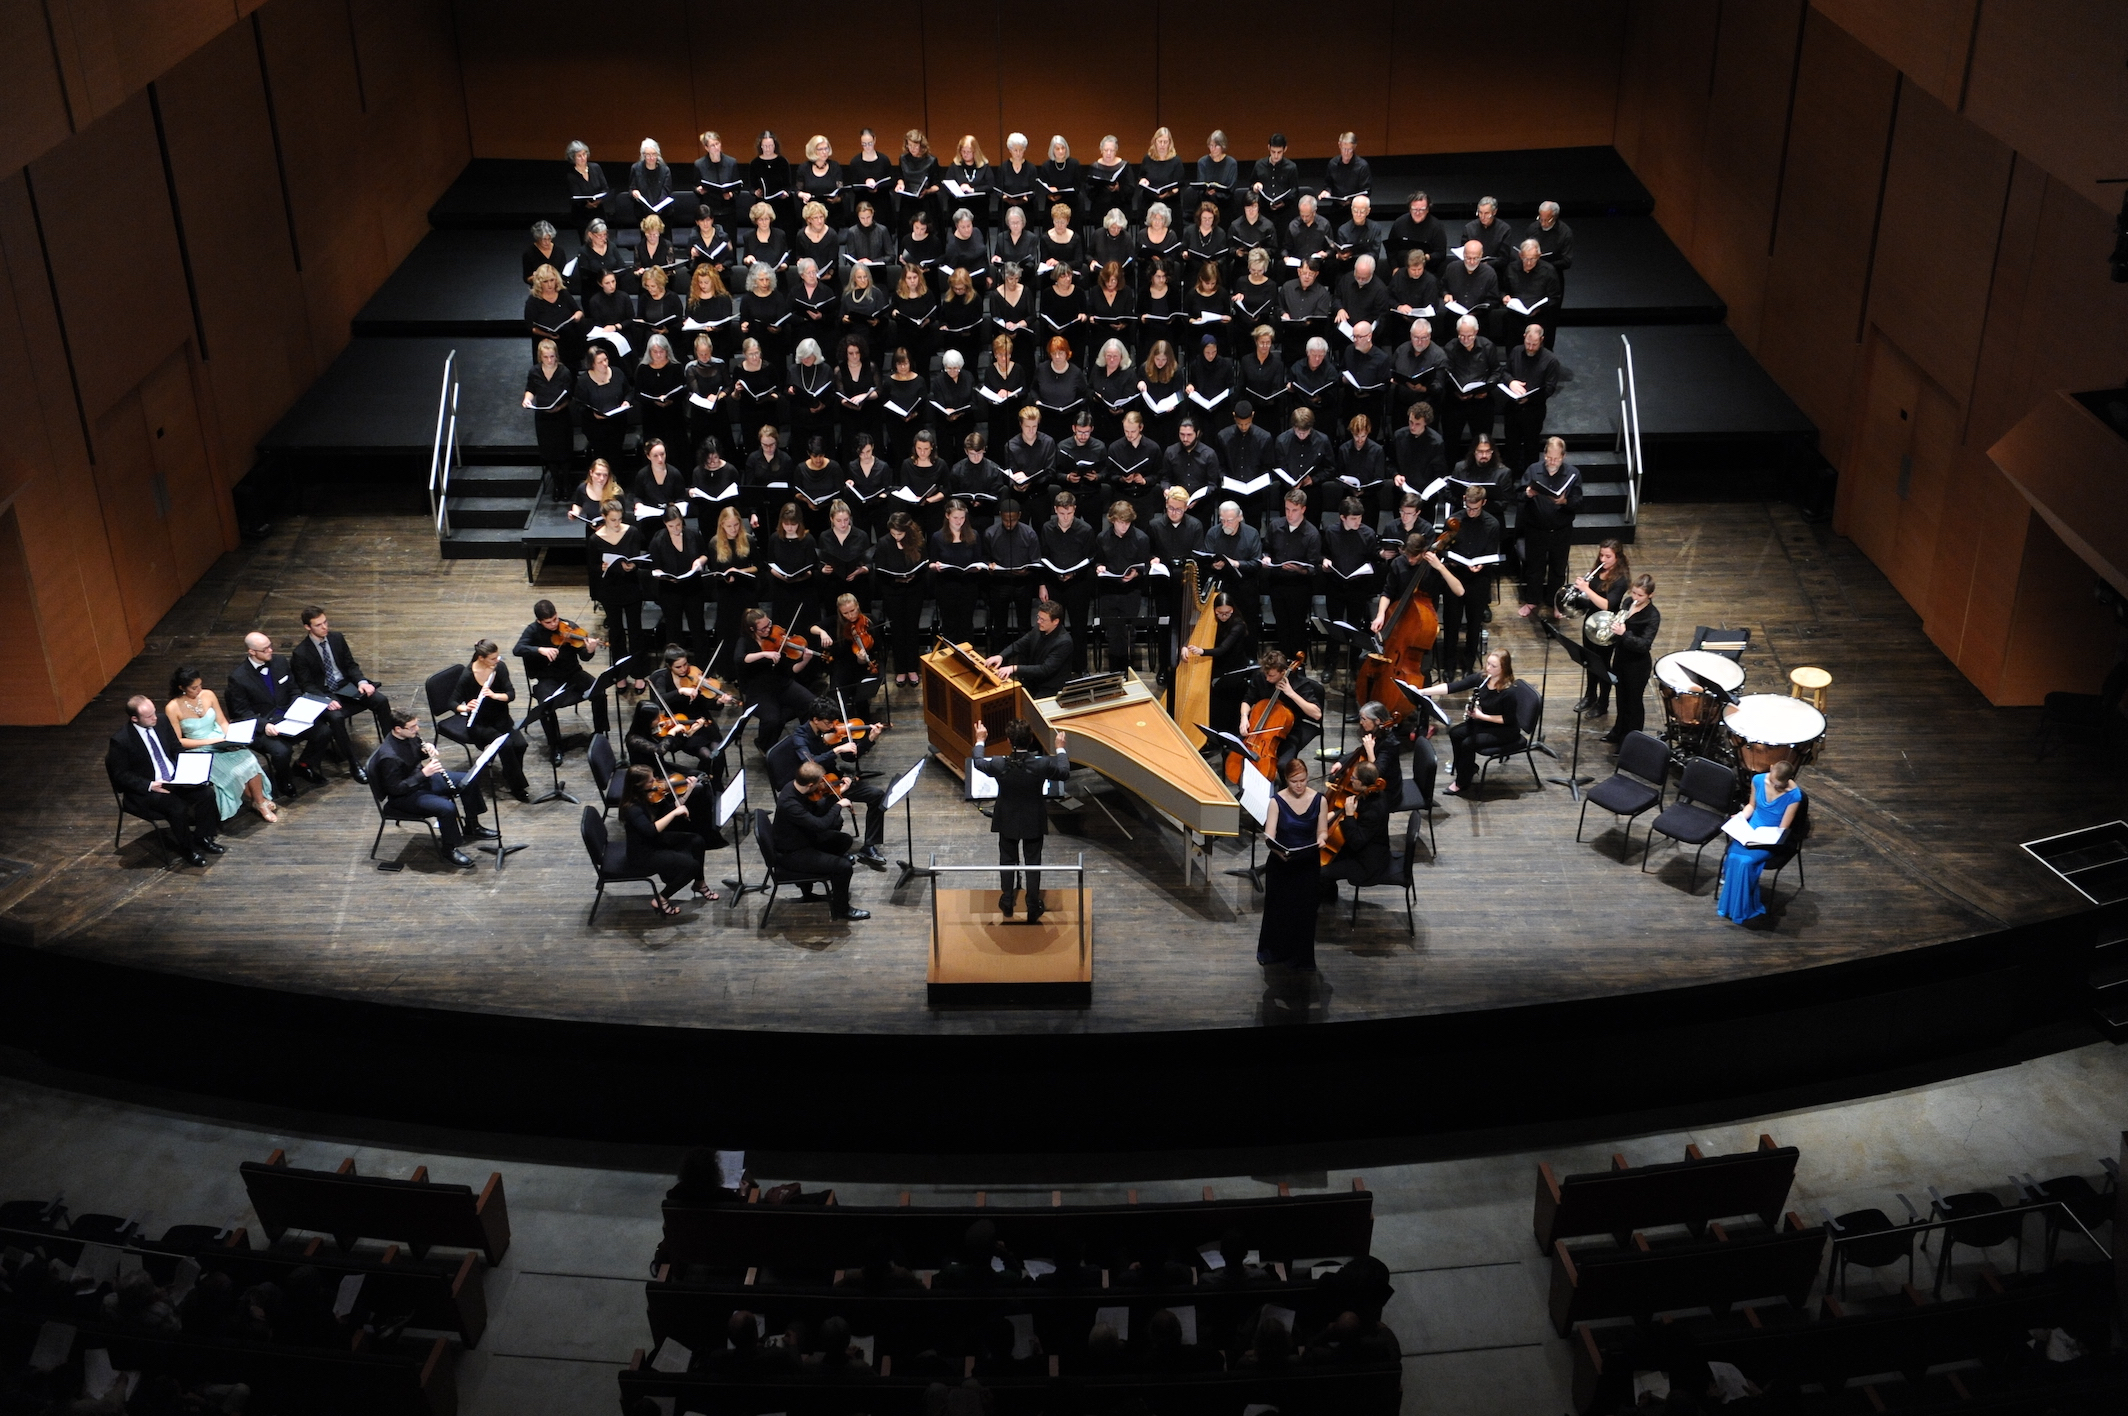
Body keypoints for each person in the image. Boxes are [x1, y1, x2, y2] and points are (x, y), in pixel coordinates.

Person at [969, 717, 1071, 919]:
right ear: (1031, 739)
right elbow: (1064, 772)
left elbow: (979, 762)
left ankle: (1007, 901)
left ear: (1008, 741)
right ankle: (1033, 905)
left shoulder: (999, 764)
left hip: (1007, 818)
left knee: (1007, 860)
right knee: (1033, 863)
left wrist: (980, 739)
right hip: (1033, 818)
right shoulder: (1041, 765)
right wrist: (1060, 748)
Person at [367, 710, 495, 868]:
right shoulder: (389, 756)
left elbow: (414, 755)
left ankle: (472, 826)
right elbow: (395, 789)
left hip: (421, 780)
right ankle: (449, 849)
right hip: (404, 797)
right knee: (447, 808)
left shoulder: (408, 736)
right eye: (412, 727)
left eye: (416, 725)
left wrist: (425, 749)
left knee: (467, 780)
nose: (417, 729)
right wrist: (424, 773)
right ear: (398, 729)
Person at [106, 695, 222, 865]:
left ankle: (203, 837)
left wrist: (190, 768)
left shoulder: (161, 721)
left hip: (175, 779)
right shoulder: (121, 740)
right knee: (177, 808)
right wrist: (149, 785)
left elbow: (176, 748)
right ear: (134, 718)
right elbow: (121, 775)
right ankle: (188, 849)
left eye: (154, 712)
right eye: (149, 716)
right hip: (148, 788)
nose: (154, 717)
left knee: (206, 794)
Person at [290, 606, 391, 781]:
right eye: (318, 625)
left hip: (345, 685)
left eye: (325, 622)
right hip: (324, 691)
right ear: (308, 627)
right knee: (336, 718)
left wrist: (362, 681)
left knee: (380, 700)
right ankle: (354, 764)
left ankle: (392, 746)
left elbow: (350, 665)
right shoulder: (300, 653)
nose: (324, 627)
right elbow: (306, 685)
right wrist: (324, 700)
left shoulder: (337, 638)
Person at [225, 631, 323, 798]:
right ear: (252, 652)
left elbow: (293, 689)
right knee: (281, 752)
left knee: (323, 732)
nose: (270, 650)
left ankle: (303, 764)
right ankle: (283, 779)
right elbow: (241, 712)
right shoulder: (238, 678)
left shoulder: (279, 662)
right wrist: (264, 725)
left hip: (289, 717)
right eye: (265, 649)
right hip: (264, 724)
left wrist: (298, 707)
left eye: (270, 646)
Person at [513, 598, 611, 764]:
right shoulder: (532, 630)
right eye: (548, 622)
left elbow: (584, 657)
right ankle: (555, 745)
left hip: (573, 673)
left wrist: (590, 650)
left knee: (599, 691)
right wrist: (539, 649)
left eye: (555, 619)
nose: (553, 625)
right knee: (545, 707)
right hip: (547, 678)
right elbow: (517, 649)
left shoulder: (569, 627)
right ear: (539, 621)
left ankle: (599, 733)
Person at [795, 696, 889, 867]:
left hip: (837, 781)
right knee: (834, 820)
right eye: (828, 722)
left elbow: (850, 757)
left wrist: (870, 740)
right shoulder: (800, 737)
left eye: (834, 721)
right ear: (815, 720)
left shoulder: (833, 733)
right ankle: (834, 852)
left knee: (877, 795)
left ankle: (869, 846)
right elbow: (810, 763)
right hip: (818, 788)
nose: (833, 726)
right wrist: (836, 750)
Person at [1413, 649, 1521, 796]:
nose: (1488, 668)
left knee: (1468, 743)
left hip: (1505, 730)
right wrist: (1423, 692)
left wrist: (1481, 716)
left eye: (1493, 666)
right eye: (1488, 663)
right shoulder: (1483, 678)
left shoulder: (1509, 692)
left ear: (1504, 668)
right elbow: (1452, 687)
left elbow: (1508, 719)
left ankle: (1462, 781)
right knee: (1455, 733)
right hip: (1486, 722)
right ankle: (1468, 767)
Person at [774, 761, 869, 920]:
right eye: (820, 782)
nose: (822, 785)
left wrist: (837, 792)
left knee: (843, 840)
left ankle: (828, 882)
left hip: (803, 838)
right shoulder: (790, 803)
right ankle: (842, 910)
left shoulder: (795, 786)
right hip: (792, 852)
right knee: (844, 867)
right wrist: (839, 805)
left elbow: (817, 810)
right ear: (810, 784)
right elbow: (820, 825)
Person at [1258, 755, 1326, 972]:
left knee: (1304, 912)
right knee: (1279, 910)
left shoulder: (1320, 800)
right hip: (1281, 863)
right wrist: (1278, 851)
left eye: (1303, 780)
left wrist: (1322, 838)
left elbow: (1322, 830)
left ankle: (1300, 957)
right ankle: (1275, 951)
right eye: (1294, 781)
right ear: (1286, 779)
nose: (1299, 785)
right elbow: (1270, 834)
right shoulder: (1276, 802)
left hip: (1307, 864)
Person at [619, 764, 715, 915]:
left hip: (653, 841)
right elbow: (651, 831)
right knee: (692, 866)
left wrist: (688, 790)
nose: (656, 782)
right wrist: (675, 813)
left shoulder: (646, 795)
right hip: (643, 853)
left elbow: (669, 809)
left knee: (697, 840)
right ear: (639, 785)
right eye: (650, 781)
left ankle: (699, 883)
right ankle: (661, 898)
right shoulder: (632, 808)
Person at [1717, 759, 1802, 926]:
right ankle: (1732, 905)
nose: (1775, 787)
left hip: (1769, 838)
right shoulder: (1758, 780)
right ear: (1770, 769)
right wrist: (1741, 817)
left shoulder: (1794, 796)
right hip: (1751, 830)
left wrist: (1763, 837)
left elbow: (1783, 828)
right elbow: (1751, 805)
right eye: (1773, 782)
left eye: (1779, 785)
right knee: (1733, 855)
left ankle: (1742, 907)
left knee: (1746, 862)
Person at [449, 640, 532, 800]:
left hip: (501, 719)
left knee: (521, 745)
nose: (497, 660)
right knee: (506, 745)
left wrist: (495, 696)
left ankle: (510, 774)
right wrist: (465, 708)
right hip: (480, 723)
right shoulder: (468, 676)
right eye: (493, 658)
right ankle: (518, 786)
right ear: (481, 658)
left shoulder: (499, 668)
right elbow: (452, 702)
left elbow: (511, 694)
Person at [1435, 484, 1501, 675]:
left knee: (1474, 624)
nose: (1471, 512)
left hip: (1478, 579)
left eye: (1476, 508)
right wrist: (1451, 560)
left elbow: (1490, 553)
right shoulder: (1453, 520)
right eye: (1469, 507)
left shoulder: (1492, 524)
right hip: (1456, 576)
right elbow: (1443, 548)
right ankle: (1448, 665)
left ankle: (1468, 664)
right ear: (1464, 500)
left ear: (1484, 503)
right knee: (1451, 622)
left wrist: (1481, 565)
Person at [1518, 437, 1584, 621]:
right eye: (1549, 457)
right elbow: (1519, 494)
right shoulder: (1533, 470)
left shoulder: (1573, 473)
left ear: (1563, 456)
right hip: (1536, 529)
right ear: (1544, 454)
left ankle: (1555, 602)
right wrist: (1527, 493)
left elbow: (1578, 501)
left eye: (1556, 458)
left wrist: (1565, 501)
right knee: (1534, 567)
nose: (1552, 462)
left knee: (1558, 568)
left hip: (1561, 530)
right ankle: (1532, 600)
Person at [739, 606, 820, 752]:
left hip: (783, 685)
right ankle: (766, 746)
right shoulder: (745, 642)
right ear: (752, 629)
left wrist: (804, 661)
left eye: (768, 624)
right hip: (760, 692)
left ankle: (807, 740)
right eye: (763, 628)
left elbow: (791, 671)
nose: (768, 630)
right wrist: (764, 654)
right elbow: (739, 659)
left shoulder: (777, 640)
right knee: (772, 720)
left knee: (812, 704)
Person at [1239, 648, 1324, 774]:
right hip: (1260, 727)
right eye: (1266, 674)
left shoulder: (1300, 684)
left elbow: (1317, 714)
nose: (1267, 678)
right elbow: (1247, 700)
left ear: (1283, 672)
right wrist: (1244, 717)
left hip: (1289, 731)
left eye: (1271, 675)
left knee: (1284, 765)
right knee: (1237, 753)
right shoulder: (1261, 676)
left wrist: (1291, 693)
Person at [1181, 590, 1254, 738]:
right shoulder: (1212, 621)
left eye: (1227, 613)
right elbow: (1195, 635)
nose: (1223, 616)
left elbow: (1222, 650)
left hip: (1233, 669)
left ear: (1232, 610)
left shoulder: (1238, 625)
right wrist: (1185, 645)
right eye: (1220, 613)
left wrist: (1201, 651)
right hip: (1219, 666)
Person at [1038, 493, 1098, 671]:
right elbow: (1043, 557)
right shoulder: (1047, 528)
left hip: (1078, 584)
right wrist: (1042, 585)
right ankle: (1058, 668)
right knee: (1055, 628)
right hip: (1054, 583)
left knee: (1079, 628)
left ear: (1074, 510)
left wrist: (1074, 573)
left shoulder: (1085, 530)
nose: (1066, 518)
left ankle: (1080, 668)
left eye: (1069, 513)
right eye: (1062, 513)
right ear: (1056, 510)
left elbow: (1091, 558)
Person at [1571, 540, 1631, 716]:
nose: (1603, 559)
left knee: (1603, 665)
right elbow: (1589, 599)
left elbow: (1607, 604)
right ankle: (1590, 695)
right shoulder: (1598, 570)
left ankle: (1603, 703)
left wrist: (1586, 589)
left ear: (1617, 557)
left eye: (1608, 556)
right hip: (1591, 622)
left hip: (1606, 627)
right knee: (1589, 661)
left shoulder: (1621, 579)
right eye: (1601, 555)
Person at [1601, 575, 1661, 745]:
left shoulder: (1652, 615)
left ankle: (1631, 742)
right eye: (1634, 593)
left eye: (1640, 595)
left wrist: (1624, 633)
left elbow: (1644, 645)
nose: (1635, 598)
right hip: (1620, 658)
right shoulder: (1628, 603)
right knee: (1621, 698)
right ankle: (1617, 732)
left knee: (1633, 703)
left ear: (1650, 595)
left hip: (1637, 665)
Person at [1261, 488, 1321, 658]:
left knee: (1297, 627)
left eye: (1294, 510)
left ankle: (1297, 663)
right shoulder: (1275, 526)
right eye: (1287, 509)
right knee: (1281, 625)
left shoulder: (1312, 534)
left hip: (1299, 588)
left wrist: (1299, 569)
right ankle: (1283, 661)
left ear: (1303, 509)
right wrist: (1266, 559)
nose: (1290, 514)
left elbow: (1313, 568)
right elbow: (1267, 549)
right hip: (1277, 584)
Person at [1318, 761, 1392, 896]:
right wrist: (1334, 814)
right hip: (1363, 848)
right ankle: (1328, 892)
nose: (1350, 780)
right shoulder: (1372, 793)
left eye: (1353, 778)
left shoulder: (1373, 810)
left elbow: (1356, 842)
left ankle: (1327, 896)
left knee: (1320, 872)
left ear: (1362, 782)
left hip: (1367, 863)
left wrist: (1350, 816)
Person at [1091, 500, 1150, 671]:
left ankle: (1125, 670)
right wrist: (1099, 567)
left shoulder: (1141, 538)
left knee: (1127, 632)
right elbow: (1098, 561)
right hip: (1109, 590)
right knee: (1112, 631)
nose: (1124, 526)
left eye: (1127, 523)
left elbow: (1145, 564)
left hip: (1131, 591)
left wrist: (1135, 573)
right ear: (1112, 520)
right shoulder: (1102, 538)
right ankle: (1114, 670)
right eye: (1120, 522)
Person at [1498, 321, 1562, 473]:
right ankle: (1511, 479)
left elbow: (1549, 388)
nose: (1530, 347)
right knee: (1511, 446)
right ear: (1524, 337)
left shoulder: (1551, 360)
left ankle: (1529, 482)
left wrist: (1530, 398)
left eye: (1534, 344)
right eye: (1528, 343)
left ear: (1541, 340)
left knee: (1531, 448)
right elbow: (1505, 372)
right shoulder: (1516, 351)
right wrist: (1511, 381)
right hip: (1513, 408)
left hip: (1534, 411)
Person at [987, 599, 1073, 696]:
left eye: (1042, 619)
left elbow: (1045, 669)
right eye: (1038, 617)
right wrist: (1001, 656)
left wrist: (1014, 668)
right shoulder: (1039, 628)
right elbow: (1020, 644)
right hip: (1033, 682)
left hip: (1050, 688)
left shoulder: (1064, 642)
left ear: (1055, 621)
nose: (1038, 621)